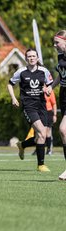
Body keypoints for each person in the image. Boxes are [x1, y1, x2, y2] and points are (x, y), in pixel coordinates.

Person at [7, 48, 53, 172]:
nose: (32, 58)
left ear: (37, 58)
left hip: (42, 106)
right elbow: (10, 84)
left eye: (34, 56)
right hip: (29, 106)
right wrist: (13, 98)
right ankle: (41, 165)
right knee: (42, 132)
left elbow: (50, 85)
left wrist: (48, 90)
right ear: (26, 59)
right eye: (29, 56)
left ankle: (22, 145)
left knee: (40, 136)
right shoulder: (21, 72)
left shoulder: (44, 71)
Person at [46, 30, 66, 180]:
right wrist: (51, 86)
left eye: (57, 42)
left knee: (63, 130)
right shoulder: (60, 55)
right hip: (63, 94)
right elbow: (61, 74)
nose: (54, 45)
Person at [31, 90, 57, 155]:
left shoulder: (50, 90)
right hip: (39, 112)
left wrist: (54, 115)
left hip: (48, 112)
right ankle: (38, 149)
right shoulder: (37, 89)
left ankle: (49, 149)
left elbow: (54, 103)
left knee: (48, 131)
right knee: (38, 131)